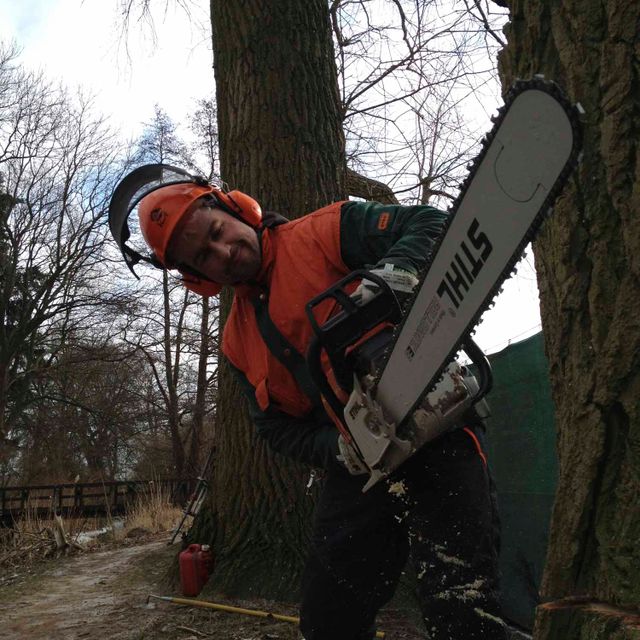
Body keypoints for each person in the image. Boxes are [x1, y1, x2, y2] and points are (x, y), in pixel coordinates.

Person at [109, 165, 508, 640]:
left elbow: (431, 223)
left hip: (434, 426)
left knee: (461, 602)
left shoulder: (325, 231)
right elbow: (274, 428)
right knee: (327, 615)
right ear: (198, 276)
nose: (223, 251)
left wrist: (394, 273)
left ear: (235, 208)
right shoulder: (238, 343)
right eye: (204, 256)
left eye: (217, 232)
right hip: (361, 466)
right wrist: (336, 450)